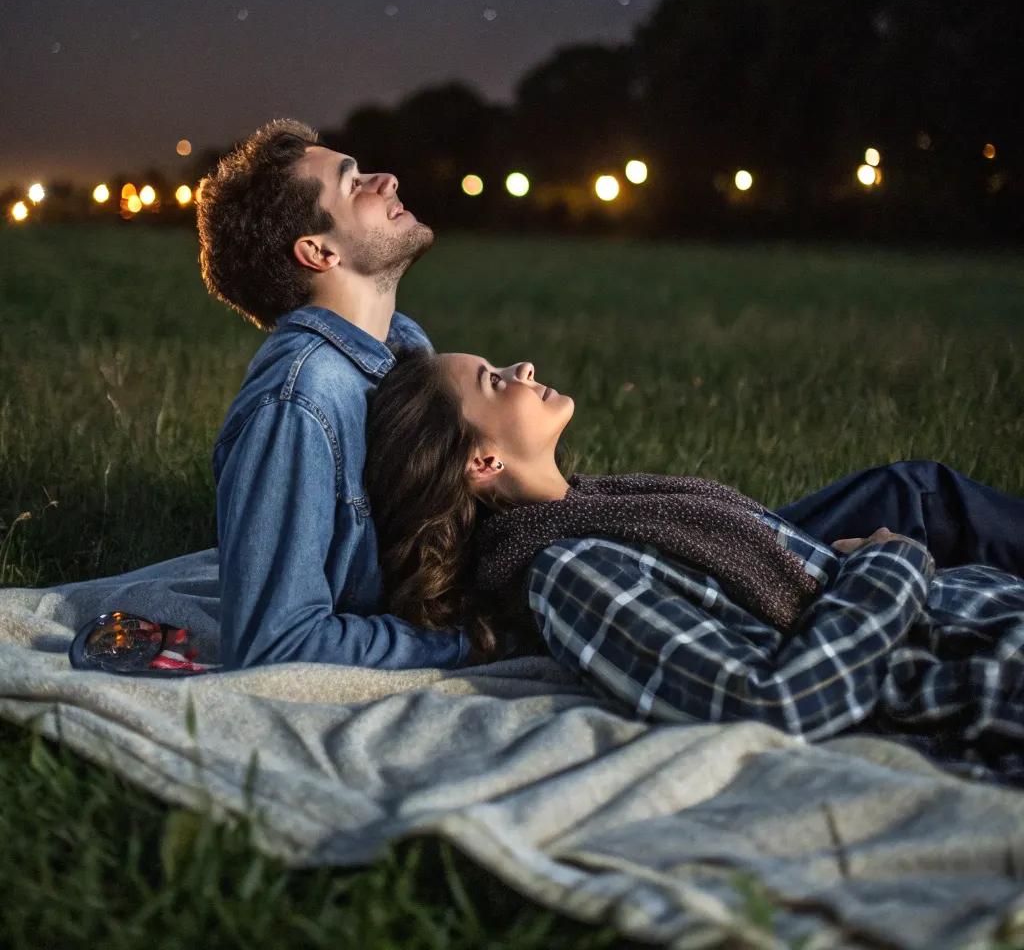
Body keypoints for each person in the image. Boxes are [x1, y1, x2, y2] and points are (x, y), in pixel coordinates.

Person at [198, 115, 1018, 677]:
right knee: (919, 501)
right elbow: (276, 642)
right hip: (578, 586)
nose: (384, 177)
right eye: (352, 182)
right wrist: (484, 642)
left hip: (586, 548)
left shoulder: (402, 343)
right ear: (316, 248)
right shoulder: (299, 399)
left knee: (906, 494)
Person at [363, 347, 1024, 784]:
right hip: (964, 655)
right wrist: (892, 565)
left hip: (972, 608)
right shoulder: (567, 571)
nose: (523, 368)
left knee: (922, 489)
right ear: (483, 463)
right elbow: (775, 707)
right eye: (493, 380)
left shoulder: (602, 506)